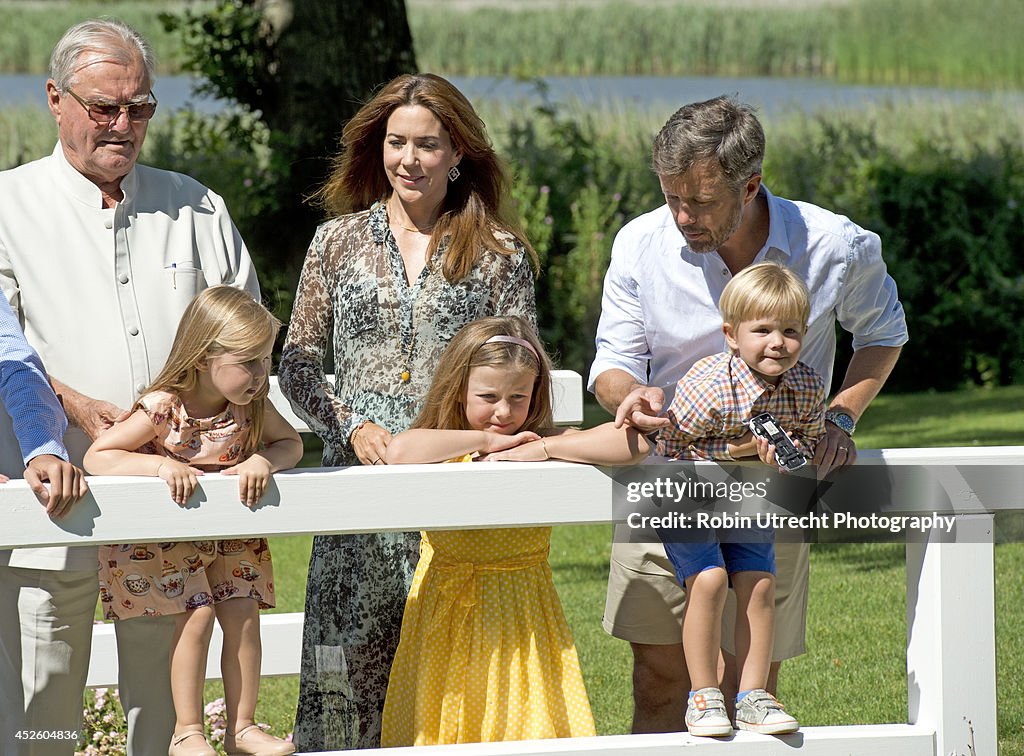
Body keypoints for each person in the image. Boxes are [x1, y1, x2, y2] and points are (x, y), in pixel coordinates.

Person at [590, 95, 908, 733]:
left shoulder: (834, 244)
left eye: (700, 201)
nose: (682, 216)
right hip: (669, 483)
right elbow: (612, 361)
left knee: (749, 686)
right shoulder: (639, 243)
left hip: (771, 489)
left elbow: (883, 334)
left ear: (751, 184)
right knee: (658, 676)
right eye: (671, 196)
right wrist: (629, 396)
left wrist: (839, 419)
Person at [0, 18, 259, 755]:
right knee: (44, 705)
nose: (123, 125)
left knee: (163, 707)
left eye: (140, 107)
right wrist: (71, 402)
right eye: (103, 107)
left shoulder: (196, 206)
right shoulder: (7, 205)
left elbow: (244, 334)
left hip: (169, 503)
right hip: (54, 507)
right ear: (55, 99)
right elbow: (0, 345)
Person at [278, 72, 537, 750]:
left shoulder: (499, 253)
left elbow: (523, 368)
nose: (409, 160)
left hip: (454, 499)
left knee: (447, 685)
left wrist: (480, 438)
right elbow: (296, 361)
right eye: (397, 142)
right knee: (343, 678)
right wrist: (350, 426)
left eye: (427, 144)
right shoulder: (336, 242)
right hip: (355, 492)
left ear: (458, 153)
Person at [379, 316, 649, 745]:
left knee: (526, 720)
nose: (503, 412)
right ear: (458, 388)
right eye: (488, 396)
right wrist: (482, 442)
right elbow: (398, 450)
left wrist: (543, 446)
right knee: (446, 721)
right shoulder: (444, 444)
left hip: (522, 612)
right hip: (445, 612)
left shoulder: (537, 441)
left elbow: (633, 445)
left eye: (518, 397)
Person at [84, 287, 302, 756]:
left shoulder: (252, 405)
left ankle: (241, 728)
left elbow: (293, 445)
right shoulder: (165, 410)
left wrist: (265, 461)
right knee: (197, 615)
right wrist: (159, 466)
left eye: (266, 361)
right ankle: (188, 731)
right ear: (204, 358)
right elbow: (99, 455)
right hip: (172, 541)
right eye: (250, 362)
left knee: (243, 616)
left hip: (230, 537)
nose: (262, 375)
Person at [656, 262, 824, 736]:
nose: (778, 342)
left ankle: (753, 695)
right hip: (689, 495)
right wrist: (735, 449)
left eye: (791, 331)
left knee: (760, 583)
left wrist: (783, 459)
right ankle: (704, 695)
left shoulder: (807, 387)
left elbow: (807, 444)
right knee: (708, 581)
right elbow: (668, 447)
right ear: (731, 334)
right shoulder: (709, 383)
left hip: (749, 499)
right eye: (763, 329)